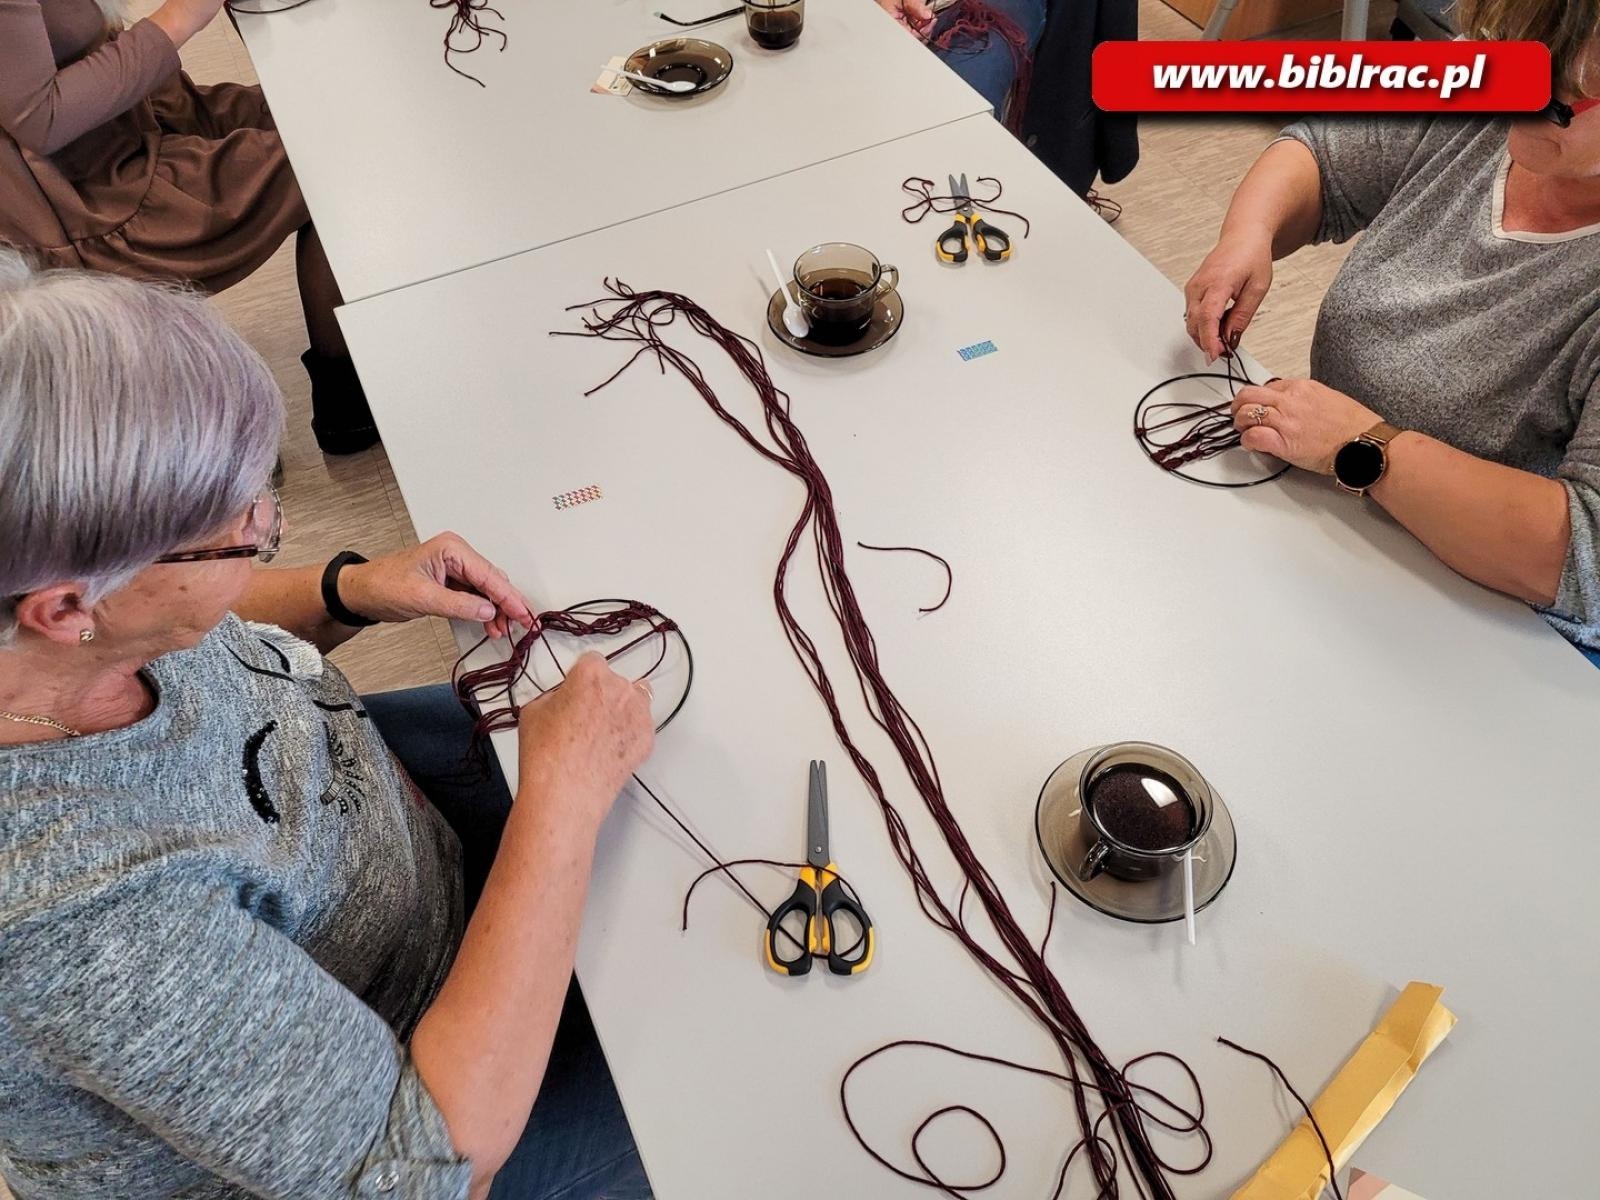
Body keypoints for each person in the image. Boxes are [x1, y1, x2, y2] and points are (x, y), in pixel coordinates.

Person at [0, 251, 656, 1199]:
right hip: (422, 1099)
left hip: (385, 833)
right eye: (242, 534)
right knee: (750, 1073)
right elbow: (431, 1168)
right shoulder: (70, 914)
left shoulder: (59, 625)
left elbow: (190, 616)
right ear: (68, 607)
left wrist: (344, 587)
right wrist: (560, 798)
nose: (267, 528)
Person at [1183, 0, 1600, 666]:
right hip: (1347, 534)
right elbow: (1321, 154)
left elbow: (1586, 559)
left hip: (1498, 643)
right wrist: (1249, 235)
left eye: (1552, 99)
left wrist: (1364, 448)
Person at [0, 0, 375, 454]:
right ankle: (345, 399)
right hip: (90, 195)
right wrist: (180, 17)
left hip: (130, 120)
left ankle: (346, 388)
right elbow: (42, 119)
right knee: (340, 156)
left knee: (329, 106)